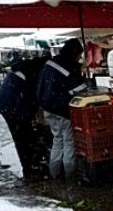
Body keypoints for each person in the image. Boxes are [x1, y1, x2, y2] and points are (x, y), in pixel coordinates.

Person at [0, 56, 50, 180]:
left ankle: (30, 167)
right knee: (24, 138)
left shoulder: (25, 68)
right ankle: (30, 170)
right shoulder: (33, 72)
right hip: (14, 107)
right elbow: (34, 95)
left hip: (9, 105)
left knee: (23, 137)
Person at [36, 38, 86, 180]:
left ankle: (55, 173)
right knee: (69, 141)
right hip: (62, 109)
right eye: (80, 55)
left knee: (57, 139)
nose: (80, 58)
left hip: (48, 107)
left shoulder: (51, 62)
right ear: (75, 52)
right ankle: (70, 174)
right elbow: (80, 90)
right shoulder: (71, 66)